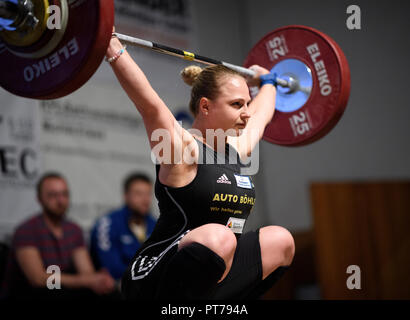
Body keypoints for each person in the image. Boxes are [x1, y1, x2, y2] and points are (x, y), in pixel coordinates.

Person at [106, 28, 295, 300]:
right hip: (154, 279)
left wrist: (269, 81)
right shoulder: (182, 148)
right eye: (237, 104)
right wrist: (111, 48)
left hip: (210, 277)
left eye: (247, 104)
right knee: (220, 238)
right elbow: (150, 105)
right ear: (205, 107)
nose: (246, 113)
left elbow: (262, 115)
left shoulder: (236, 149)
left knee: (280, 240)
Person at [1, 172, 115, 299]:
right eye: (53, 195)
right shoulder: (26, 230)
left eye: (64, 194)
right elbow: (38, 279)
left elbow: (86, 271)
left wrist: (99, 280)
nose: (60, 201)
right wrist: (87, 280)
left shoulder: (74, 229)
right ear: (39, 198)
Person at [90, 172, 157, 281]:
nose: (145, 200)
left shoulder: (156, 225)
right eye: (138, 194)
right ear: (126, 196)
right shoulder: (107, 224)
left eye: (148, 194)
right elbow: (112, 268)